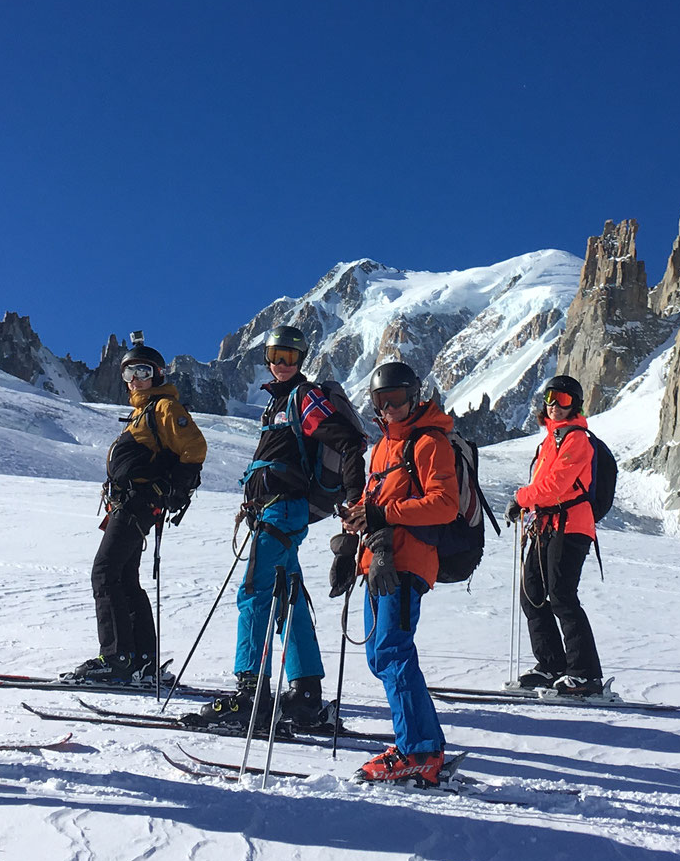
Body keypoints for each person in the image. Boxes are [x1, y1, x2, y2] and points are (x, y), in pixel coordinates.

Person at [198, 324, 365, 732]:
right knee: (289, 597)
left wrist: (356, 499)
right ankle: (306, 694)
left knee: (255, 592)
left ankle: (251, 693)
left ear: (301, 359)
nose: (280, 364)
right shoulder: (276, 404)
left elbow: (347, 442)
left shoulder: (302, 398)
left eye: (289, 357)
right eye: (274, 357)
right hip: (272, 511)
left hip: (282, 511)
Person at [343, 359, 460, 786]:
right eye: (380, 401)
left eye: (396, 399)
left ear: (414, 396)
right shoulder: (384, 447)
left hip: (407, 563)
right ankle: (422, 745)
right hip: (378, 563)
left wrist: (380, 512)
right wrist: (355, 524)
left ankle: (419, 752)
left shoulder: (429, 443)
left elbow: (444, 504)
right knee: (380, 656)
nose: (389, 409)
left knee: (392, 653)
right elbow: (378, 506)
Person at [67, 335, 206, 684]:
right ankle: (141, 659)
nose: (135, 380)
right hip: (131, 503)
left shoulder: (163, 408)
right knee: (124, 577)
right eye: (128, 373)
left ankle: (117, 657)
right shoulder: (143, 412)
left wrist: (175, 488)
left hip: (138, 502)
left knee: (104, 572)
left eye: (142, 371)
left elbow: (194, 447)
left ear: (158, 374)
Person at [511, 373, 605, 695]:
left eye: (563, 400)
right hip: (546, 526)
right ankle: (551, 664)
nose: (554, 406)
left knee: (562, 596)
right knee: (532, 593)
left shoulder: (578, 440)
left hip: (572, 526)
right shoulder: (551, 439)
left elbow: (555, 487)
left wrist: (520, 498)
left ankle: (585, 674)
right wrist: (527, 505)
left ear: (574, 405)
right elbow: (543, 488)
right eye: (550, 397)